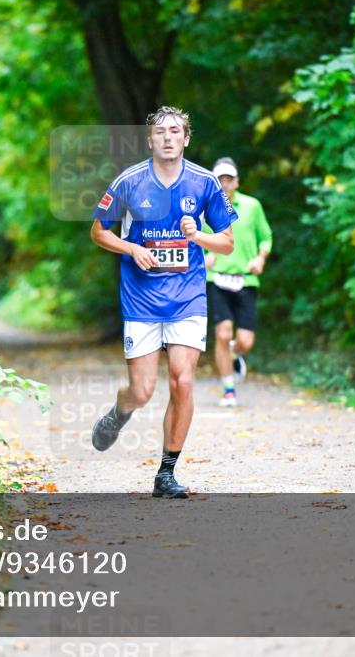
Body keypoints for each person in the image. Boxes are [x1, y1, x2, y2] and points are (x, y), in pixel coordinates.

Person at [88, 106, 237, 498]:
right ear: (150, 140)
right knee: (142, 391)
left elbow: (227, 241)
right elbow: (98, 232)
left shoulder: (205, 183)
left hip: (188, 297)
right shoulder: (130, 182)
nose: (168, 137)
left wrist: (200, 236)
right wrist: (131, 248)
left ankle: (166, 473)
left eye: (175, 131)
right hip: (141, 298)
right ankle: (119, 414)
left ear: (186, 139)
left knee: (183, 381)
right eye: (160, 132)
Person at [203, 157, 272, 408]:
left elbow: (266, 237)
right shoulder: (204, 208)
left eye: (228, 178)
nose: (224, 183)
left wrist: (260, 259)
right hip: (217, 279)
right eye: (219, 179)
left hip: (246, 279)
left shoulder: (252, 206)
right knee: (222, 334)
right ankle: (228, 389)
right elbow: (194, 240)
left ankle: (235, 354)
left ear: (237, 181)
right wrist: (206, 256)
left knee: (245, 341)